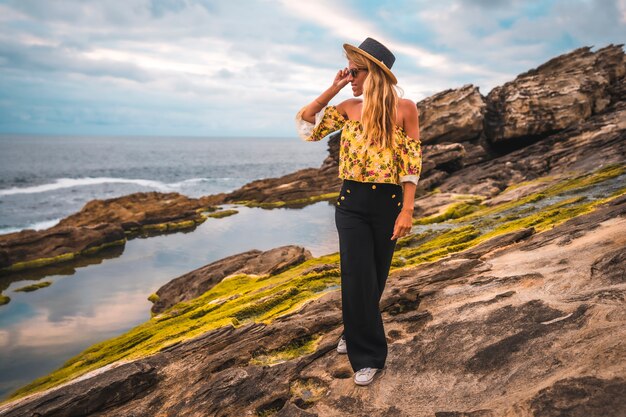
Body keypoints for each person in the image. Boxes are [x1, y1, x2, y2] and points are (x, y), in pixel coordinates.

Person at [294, 37, 422, 386]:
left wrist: (407, 210)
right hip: (351, 202)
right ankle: (369, 357)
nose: (349, 76)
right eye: (348, 71)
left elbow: (410, 166)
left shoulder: (405, 109)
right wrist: (332, 89)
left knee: (376, 275)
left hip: (389, 203)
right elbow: (308, 124)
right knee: (356, 275)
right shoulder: (349, 107)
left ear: (374, 73)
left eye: (354, 71)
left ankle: (353, 328)